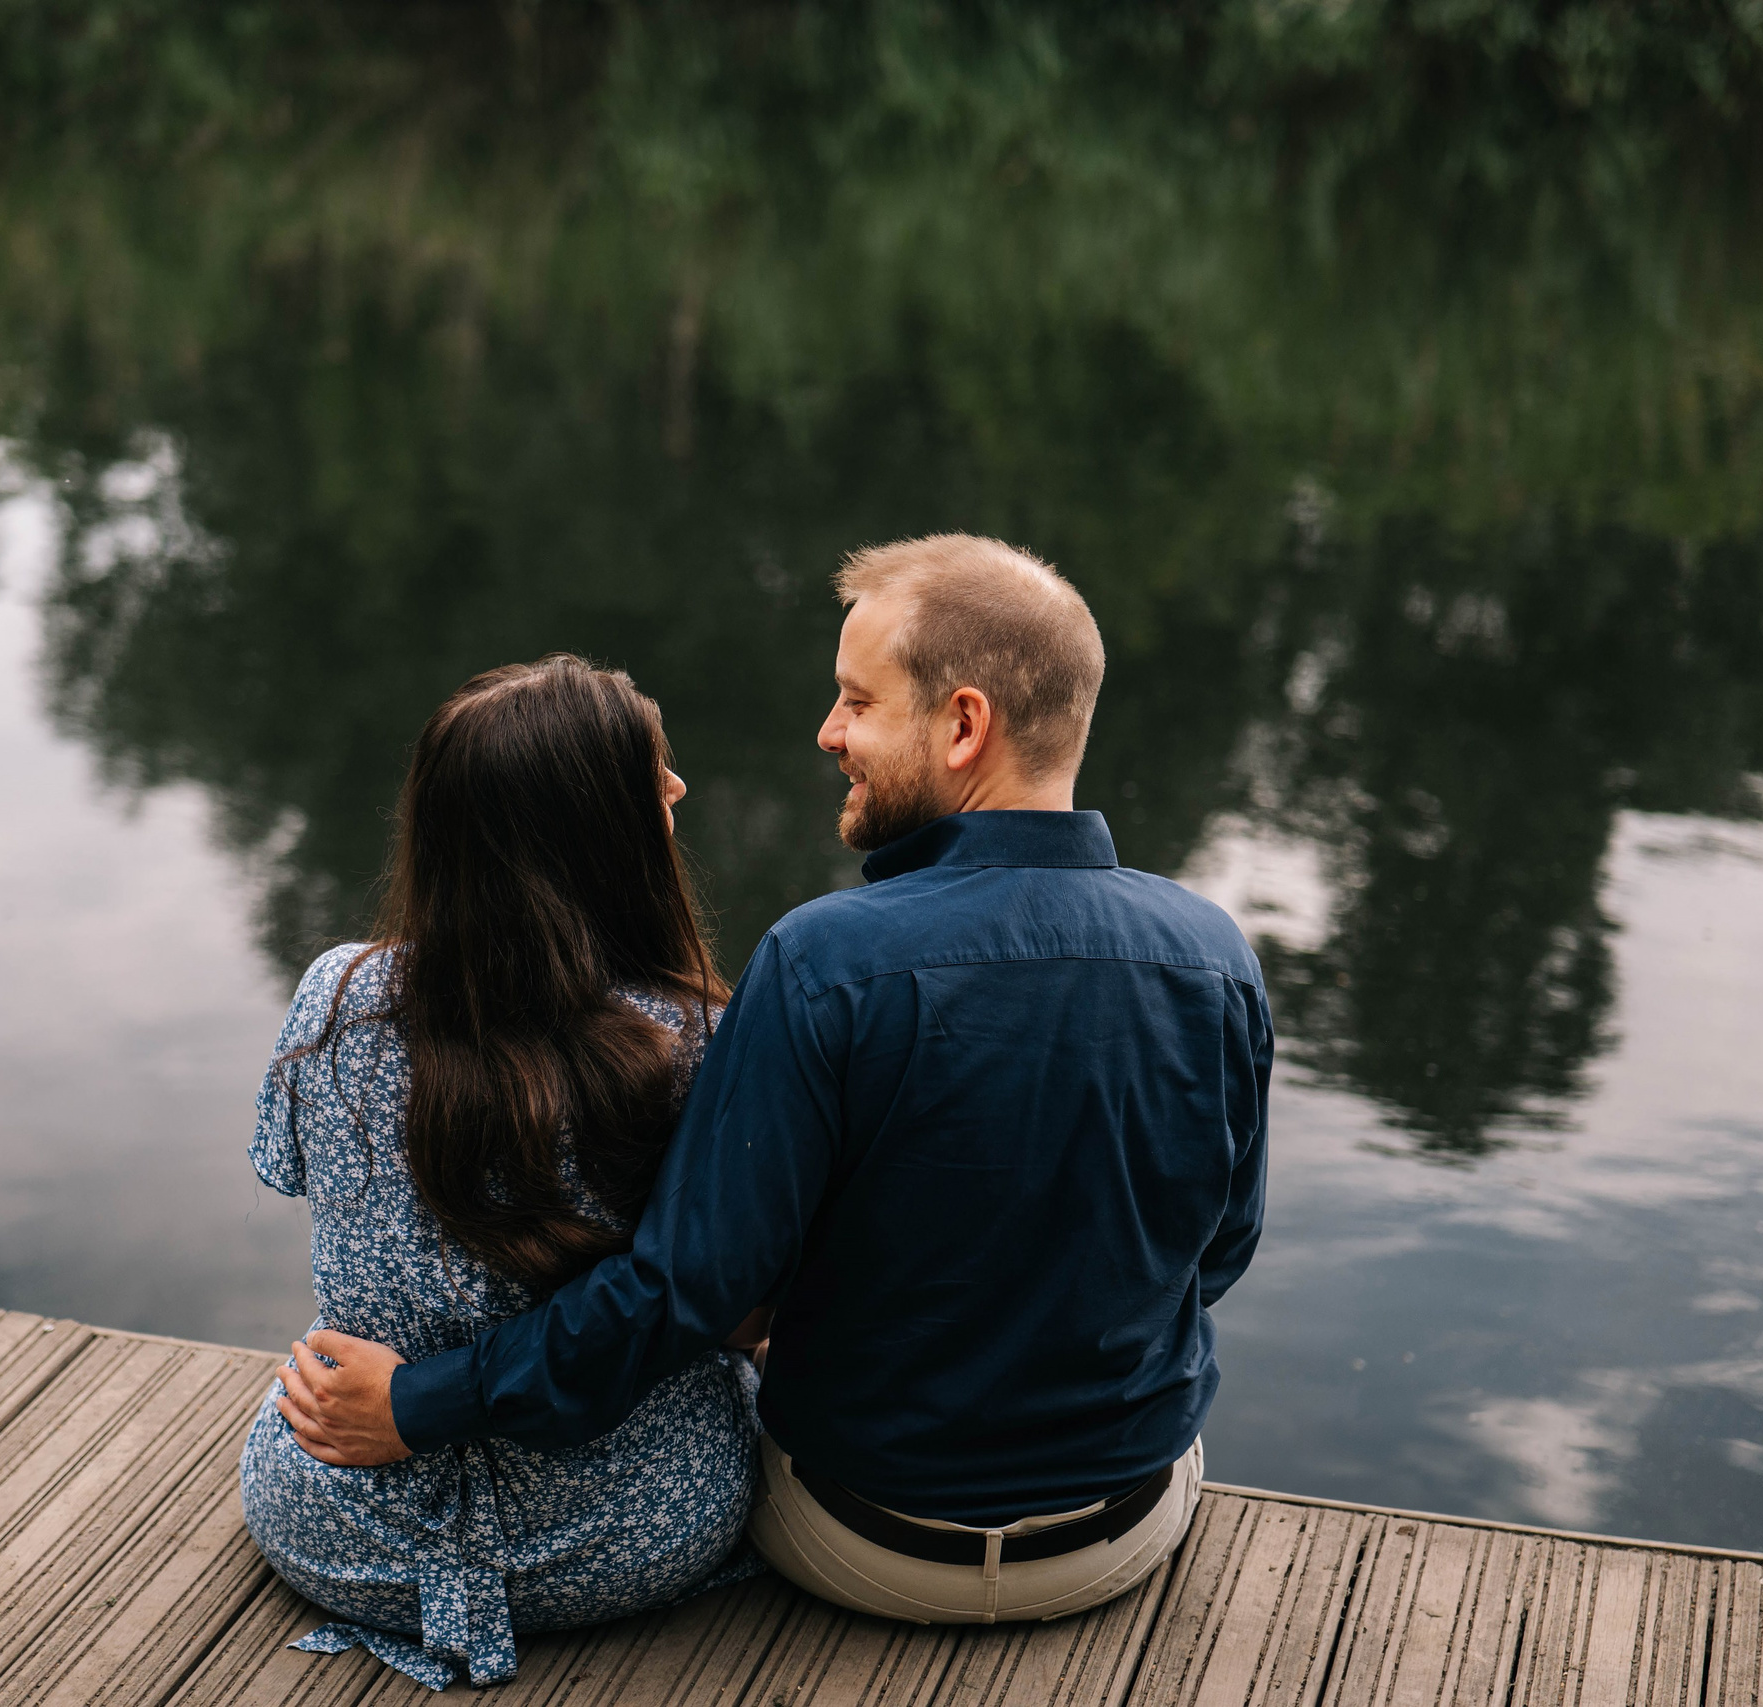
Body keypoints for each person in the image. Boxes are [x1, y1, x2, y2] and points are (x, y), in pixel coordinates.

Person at [281, 534, 1273, 1631]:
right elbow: (1217, 1251)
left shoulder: (822, 963)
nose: (828, 732)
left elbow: (681, 1297)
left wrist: (421, 1402)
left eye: (856, 700)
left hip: (865, 1546)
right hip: (1118, 1537)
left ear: (962, 725)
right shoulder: (1212, 955)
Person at [238, 656, 763, 1690]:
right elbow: (736, 1308)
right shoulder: (699, 1039)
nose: (680, 791)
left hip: (344, 1531)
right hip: (632, 1534)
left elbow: (288, 1169)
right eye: (657, 775)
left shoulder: (335, 996)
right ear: (597, 828)